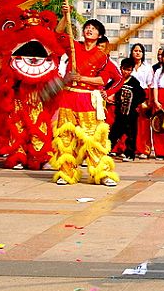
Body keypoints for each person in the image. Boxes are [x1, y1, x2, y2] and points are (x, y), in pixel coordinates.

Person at [50, 13, 121, 186]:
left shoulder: (102, 56)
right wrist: (65, 16)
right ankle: (65, 173)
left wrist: (80, 78)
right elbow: (57, 34)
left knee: (92, 137)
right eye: (87, 27)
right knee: (66, 136)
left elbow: (102, 81)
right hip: (68, 97)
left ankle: (101, 173)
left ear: (100, 35)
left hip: (87, 99)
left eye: (94, 28)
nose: (89, 29)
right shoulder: (73, 47)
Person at [109, 57, 146, 162]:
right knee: (113, 134)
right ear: (121, 68)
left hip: (131, 114)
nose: (126, 72)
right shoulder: (116, 80)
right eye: (125, 69)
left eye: (129, 70)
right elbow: (108, 90)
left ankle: (129, 154)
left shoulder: (134, 82)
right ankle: (106, 151)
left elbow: (142, 95)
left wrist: (138, 104)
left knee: (131, 135)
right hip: (119, 114)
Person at [128, 43, 155, 159]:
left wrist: (148, 101)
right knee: (130, 124)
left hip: (143, 94)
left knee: (143, 124)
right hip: (129, 95)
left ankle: (144, 149)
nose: (137, 53)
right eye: (135, 50)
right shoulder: (127, 66)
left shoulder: (148, 67)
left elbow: (150, 84)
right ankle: (130, 149)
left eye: (140, 51)